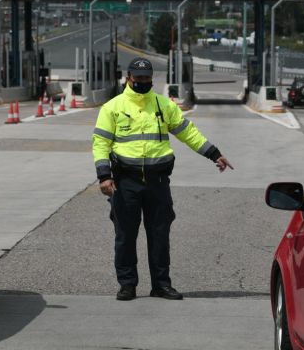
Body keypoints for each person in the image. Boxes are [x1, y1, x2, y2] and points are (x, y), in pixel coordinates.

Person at [92, 57, 233, 301]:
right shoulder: (112, 108)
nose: (143, 82)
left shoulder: (163, 105)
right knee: (125, 236)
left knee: (159, 236)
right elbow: (101, 143)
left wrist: (214, 154)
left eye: (147, 78)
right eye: (139, 78)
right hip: (126, 182)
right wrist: (104, 176)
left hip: (157, 183)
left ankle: (161, 285)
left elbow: (188, 133)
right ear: (129, 78)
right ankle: (127, 285)